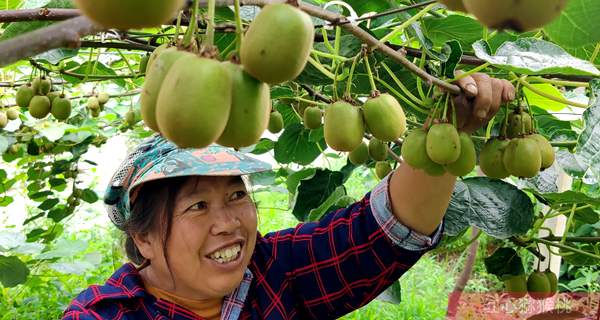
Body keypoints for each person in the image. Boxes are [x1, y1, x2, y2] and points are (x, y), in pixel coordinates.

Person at [62, 73, 515, 320]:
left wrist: (451, 126)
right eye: (197, 205)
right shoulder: (103, 316)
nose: (228, 222)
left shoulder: (274, 270)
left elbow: (387, 232)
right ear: (141, 240)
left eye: (237, 195)